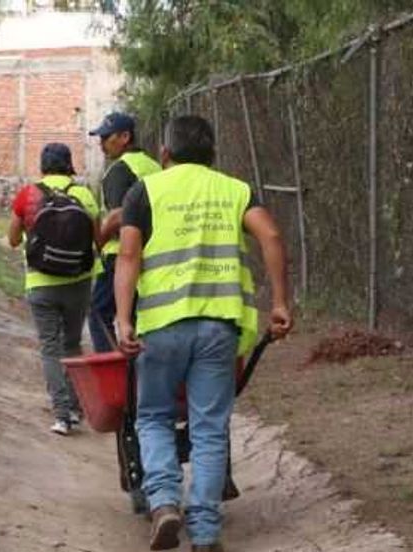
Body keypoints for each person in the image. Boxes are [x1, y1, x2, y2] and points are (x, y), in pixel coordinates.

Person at [114, 116, 293, 552]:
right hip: (219, 327)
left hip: (161, 327)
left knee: (153, 417)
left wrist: (123, 319)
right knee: (209, 427)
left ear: (165, 154)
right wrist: (280, 304)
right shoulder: (234, 189)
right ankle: (207, 532)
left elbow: (128, 254)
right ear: (213, 155)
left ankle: (164, 504)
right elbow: (270, 234)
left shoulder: (145, 190)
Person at [8, 143, 104, 436]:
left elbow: (13, 239)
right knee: (72, 344)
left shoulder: (29, 194)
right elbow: (98, 240)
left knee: (50, 347)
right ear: (69, 165)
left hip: (41, 282)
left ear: (43, 165)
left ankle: (61, 414)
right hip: (79, 280)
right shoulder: (84, 194)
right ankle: (75, 409)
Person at [86, 112, 162, 351]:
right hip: (154, 251)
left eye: (106, 137)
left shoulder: (120, 170)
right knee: (139, 317)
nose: (101, 144)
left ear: (125, 137)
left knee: (99, 313)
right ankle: (138, 374)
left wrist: (99, 239)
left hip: (120, 255)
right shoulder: (154, 166)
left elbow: (118, 215)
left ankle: (113, 371)